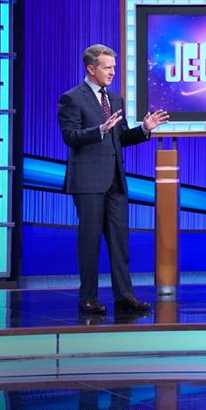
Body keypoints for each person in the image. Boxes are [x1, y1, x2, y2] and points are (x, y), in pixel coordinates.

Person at [58, 44, 169, 315]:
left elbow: (119, 137)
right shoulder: (72, 98)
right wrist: (99, 129)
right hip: (88, 182)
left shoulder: (115, 99)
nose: (112, 72)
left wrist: (144, 129)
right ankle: (88, 298)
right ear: (91, 69)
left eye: (114, 68)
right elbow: (70, 137)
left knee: (120, 242)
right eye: (107, 68)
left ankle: (125, 296)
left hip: (115, 182)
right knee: (90, 242)